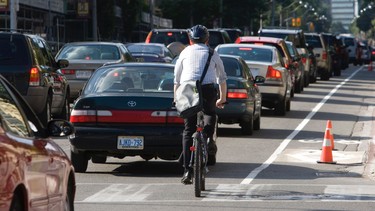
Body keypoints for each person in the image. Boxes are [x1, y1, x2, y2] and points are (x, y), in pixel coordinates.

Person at [173, 24, 227, 185]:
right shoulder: (212, 52)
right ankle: (207, 140)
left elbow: (176, 79)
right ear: (207, 39)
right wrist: (222, 98)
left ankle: (187, 170)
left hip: (188, 89)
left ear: (190, 40)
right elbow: (222, 78)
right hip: (208, 90)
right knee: (210, 115)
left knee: (188, 130)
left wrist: (176, 99)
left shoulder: (184, 52)